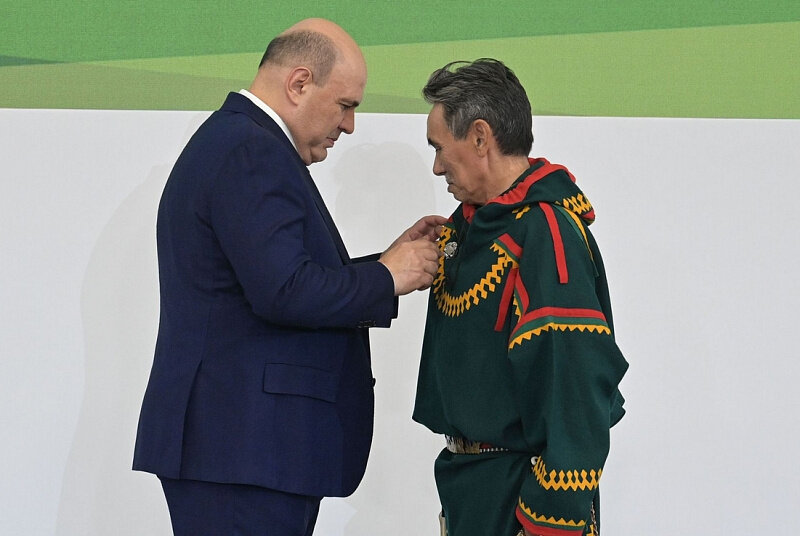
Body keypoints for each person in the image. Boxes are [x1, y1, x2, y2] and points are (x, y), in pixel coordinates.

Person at [133, 18, 445, 536]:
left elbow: (276, 277)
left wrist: (386, 264)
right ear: (299, 83)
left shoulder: (240, 142)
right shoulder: (249, 149)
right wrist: (386, 278)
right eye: (345, 105)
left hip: (243, 453)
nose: (349, 125)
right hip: (243, 453)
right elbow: (284, 291)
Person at [412, 59, 628, 536]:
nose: (437, 165)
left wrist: (549, 519)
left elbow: (575, 393)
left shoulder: (546, 232)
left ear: (480, 137)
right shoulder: (469, 225)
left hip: (520, 498)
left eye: (439, 147)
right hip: (472, 490)